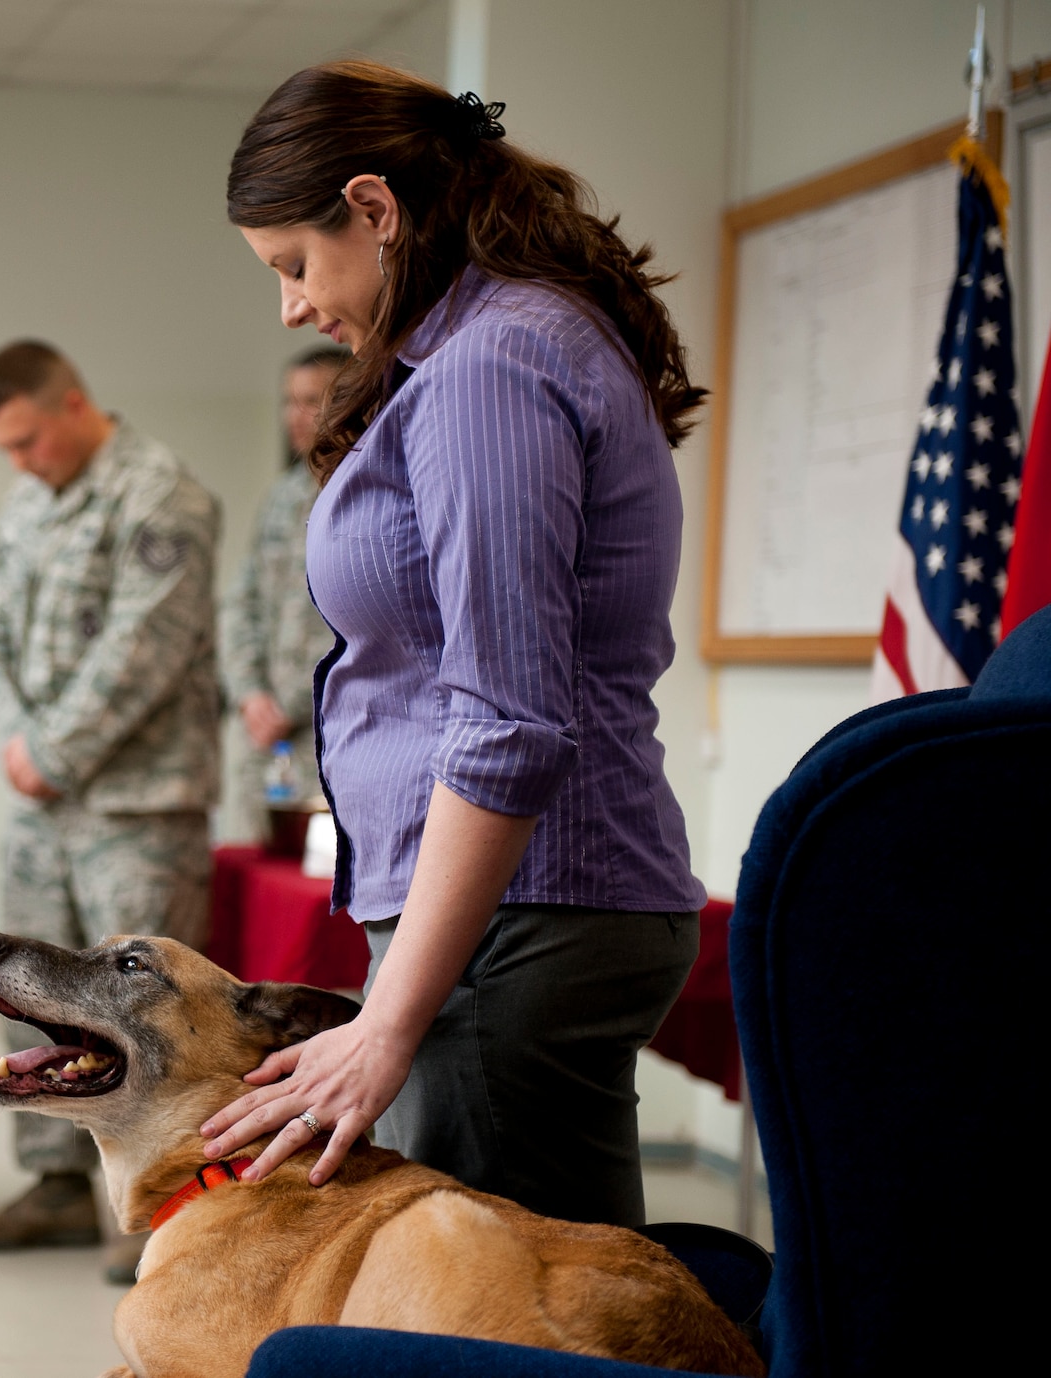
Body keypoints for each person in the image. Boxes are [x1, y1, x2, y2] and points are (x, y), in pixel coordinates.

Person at [200, 61, 707, 1230]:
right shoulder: (501, 343)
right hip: (515, 913)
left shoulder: (490, 366)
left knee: (503, 1326)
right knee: (563, 1312)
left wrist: (388, 1018)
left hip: (513, 918)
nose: (288, 307)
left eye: (293, 264)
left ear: (374, 212)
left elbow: (508, 720)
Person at [0, 341, 221, 1278]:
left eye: (29, 440)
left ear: (72, 403)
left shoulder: (161, 494)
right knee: (24, 989)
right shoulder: (30, 501)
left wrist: (52, 751)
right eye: (8, 451)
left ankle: (158, 1204)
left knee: (142, 1009)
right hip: (43, 802)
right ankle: (58, 1184)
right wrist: (23, 742)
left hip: (137, 804)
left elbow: (141, 648)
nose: (21, 463)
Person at [220, 346, 346, 836]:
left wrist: (291, 703)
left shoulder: (372, 488)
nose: (295, 415)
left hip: (332, 735)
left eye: (311, 400)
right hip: (266, 742)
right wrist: (250, 695)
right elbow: (240, 604)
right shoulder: (281, 496)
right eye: (288, 401)